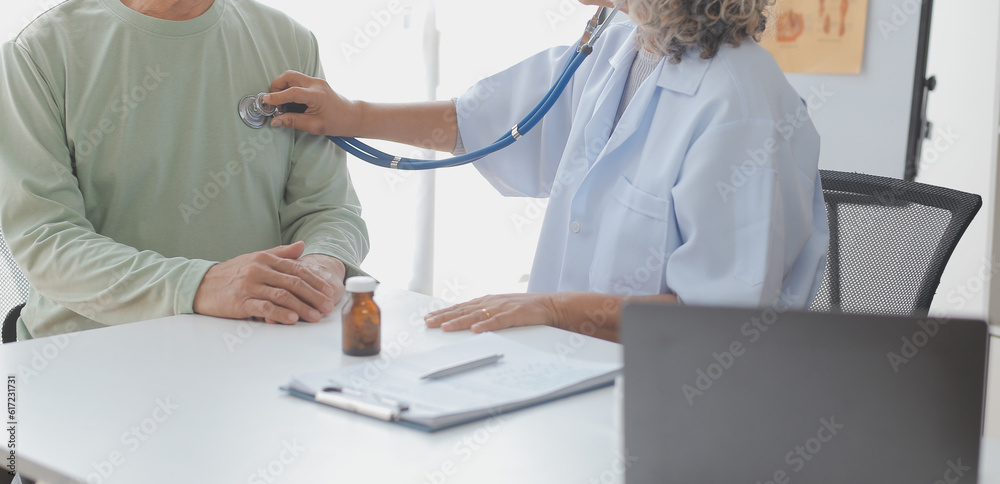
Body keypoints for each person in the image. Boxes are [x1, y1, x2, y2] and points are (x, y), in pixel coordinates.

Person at [263, 0, 829, 342]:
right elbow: (488, 123)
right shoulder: (622, 44)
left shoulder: (741, 105)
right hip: (574, 373)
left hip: (677, 407)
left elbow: (716, 320)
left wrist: (552, 308)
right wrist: (350, 116)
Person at [0, 0, 369, 339]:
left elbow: (328, 209)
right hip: (85, 355)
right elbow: (46, 239)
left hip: (253, 346)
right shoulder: (38, 52)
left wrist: (324, 264)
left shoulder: (290, 41)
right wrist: (199, 285)